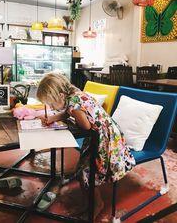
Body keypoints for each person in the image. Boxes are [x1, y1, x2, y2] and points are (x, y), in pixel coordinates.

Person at [36, 71, 135, 217]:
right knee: (83, 170)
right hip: (107, 133)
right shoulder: (75, 94)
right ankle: (89, 202)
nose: (51, 107)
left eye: (51, 103)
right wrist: (53, 118)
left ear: (61, 95)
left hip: (104, 140)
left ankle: (96, 205)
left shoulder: (73, 105)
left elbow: (86, 126)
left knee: (86, 174)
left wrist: (68, 124)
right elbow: (68, 112)